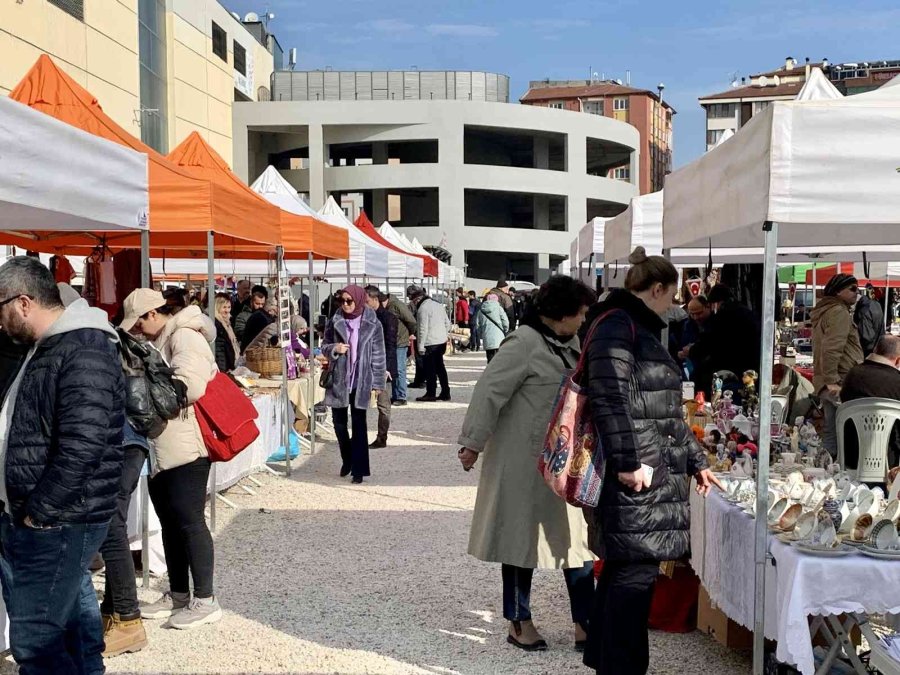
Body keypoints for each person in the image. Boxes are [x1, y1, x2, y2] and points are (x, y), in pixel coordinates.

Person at [581, 247, 720, 675]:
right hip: (639, 472)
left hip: (648, 466)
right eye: (673, 297)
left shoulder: (629, 326)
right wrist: (627, 461)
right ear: (656, 289)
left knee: (627, 570)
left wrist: (696, 459)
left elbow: (663, 411)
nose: (675, 306)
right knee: (633, 578)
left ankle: (608, 662)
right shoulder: (618, 327)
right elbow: (608, 398)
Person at [458, 276, 597, 653]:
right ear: (562, 313)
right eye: (581, 313)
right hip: (523, 461)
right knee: (519, 542)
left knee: (577, 543)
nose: (584, 321)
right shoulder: (523, 343)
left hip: (565, 462)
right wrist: (472, 442)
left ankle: (586, 622)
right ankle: (519, 622)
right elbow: (489, 391)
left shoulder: (571, 344)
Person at [0, 257, 125, 673]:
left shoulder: (83, 346)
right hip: (53, 515)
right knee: (70, 627)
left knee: (35, 640)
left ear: (22, 302)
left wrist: (40, 512)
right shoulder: (51, 344)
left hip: (60, 519)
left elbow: (83, 446)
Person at [121, 289, 222, 629]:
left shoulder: (184, 336)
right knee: (169, 521)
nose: (135, 332)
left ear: (152, 314)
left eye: (137, 324)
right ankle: (179, 593)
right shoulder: (162, 339)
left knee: (189, 520)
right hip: (163, 447)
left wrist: (142, 390)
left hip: (186, 446)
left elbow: (189, 387)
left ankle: (206, 599)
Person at [321, 285, 386, 483]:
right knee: (339, 424)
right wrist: (335, 348)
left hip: (361, 379)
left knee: (359, 424)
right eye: (342, 301)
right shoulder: (335, 320)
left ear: (358, 300)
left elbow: (378, 354)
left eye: (350, 301)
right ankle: (347, 458)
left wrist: (377, 382)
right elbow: (323, 346)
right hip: (340, 379)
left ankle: (358, 470)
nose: (346, 305)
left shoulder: (372, 323)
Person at [812, 273, 864, 457]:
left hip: (827, 378)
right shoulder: (838, 312)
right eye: (852, 289)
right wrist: (832, 380)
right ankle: (838, 472)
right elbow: (832, 348)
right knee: (844, 431)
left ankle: (828, 469)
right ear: (838, 291)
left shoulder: (826, 310)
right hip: (839, 378)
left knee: (831, 430)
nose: (856, 293)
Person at [688, 284, 761, 397]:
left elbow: (711, 342)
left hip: (733, 369)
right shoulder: (747, 312)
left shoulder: (724, 315)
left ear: (715, 303)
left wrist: (692, 351)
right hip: (751, 369)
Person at [841, 335, 900, 471]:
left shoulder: (853, 375)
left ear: (876, 350)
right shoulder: (897, 382)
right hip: (889, 460)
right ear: (897, 360)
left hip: (851, 455)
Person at [365, 287, 397, 449]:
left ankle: (381, 437)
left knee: (383, 405)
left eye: (367, 301)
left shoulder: (388, 318)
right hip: (366, 365)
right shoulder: (365, 317)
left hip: (383, 366)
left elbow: (391, 345)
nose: (364, 304)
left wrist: (387, 368)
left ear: (375, 299)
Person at [409, 285, 452, 402]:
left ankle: (431, 393)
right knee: (440, 368)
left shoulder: (423, 309)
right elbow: (448, 324)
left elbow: (422, 329)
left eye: (412, 300)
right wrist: (443, 335)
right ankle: (445, 392)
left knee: (430, 370)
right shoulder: (438, 305)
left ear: (417, 299)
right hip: (441, 341)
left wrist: (420, 346)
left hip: (430, 342)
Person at [386, 291, 417, 407]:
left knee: (399, 369)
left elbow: (412, 321)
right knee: (394, 368)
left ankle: (401, 396)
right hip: (393, 341)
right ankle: (396, 394)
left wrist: (410, 333)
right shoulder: (390, 306)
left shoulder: (397, 305)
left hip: (400, 341)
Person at [477, 293, 509, 363]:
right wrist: (505, 329)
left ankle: (491, 371)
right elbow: (505, 321)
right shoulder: (499, 308)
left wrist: (481, 333)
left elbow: (477, 324)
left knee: (490, 356)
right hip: (499, 336)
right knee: (499, 357)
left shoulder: (481, 310)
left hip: (487, 336)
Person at [855, 284, 885, 357]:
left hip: (867, 350)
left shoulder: (863, 310)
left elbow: (866, 335)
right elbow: (881, 328)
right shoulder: (877, 304)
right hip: (877, 346)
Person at [214, 294, 240, 372]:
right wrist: (223, 369)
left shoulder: (227, 323)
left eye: (229, 307)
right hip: (223, 367)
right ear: (217, 307)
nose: (227, 310)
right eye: (224, 307)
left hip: (229, 365)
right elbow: (219, 350)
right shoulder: (216, 324)